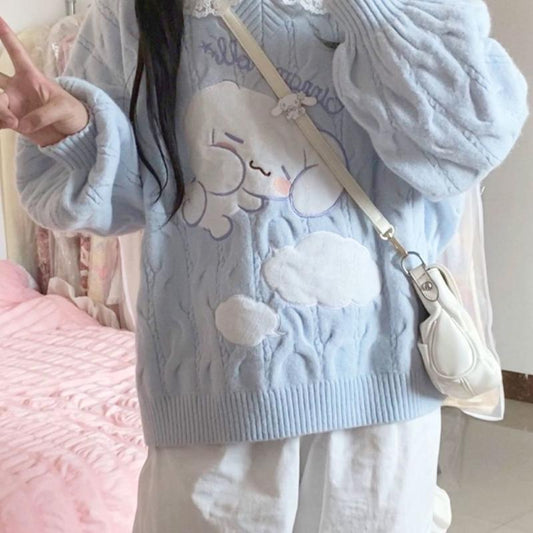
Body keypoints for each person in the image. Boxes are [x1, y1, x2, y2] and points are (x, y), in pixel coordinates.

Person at [0, 0, 528, 531]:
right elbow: (138, 198)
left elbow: (469, 141)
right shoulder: (129, 12)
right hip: (213, 390)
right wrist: (75, 133)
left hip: (379, 383)